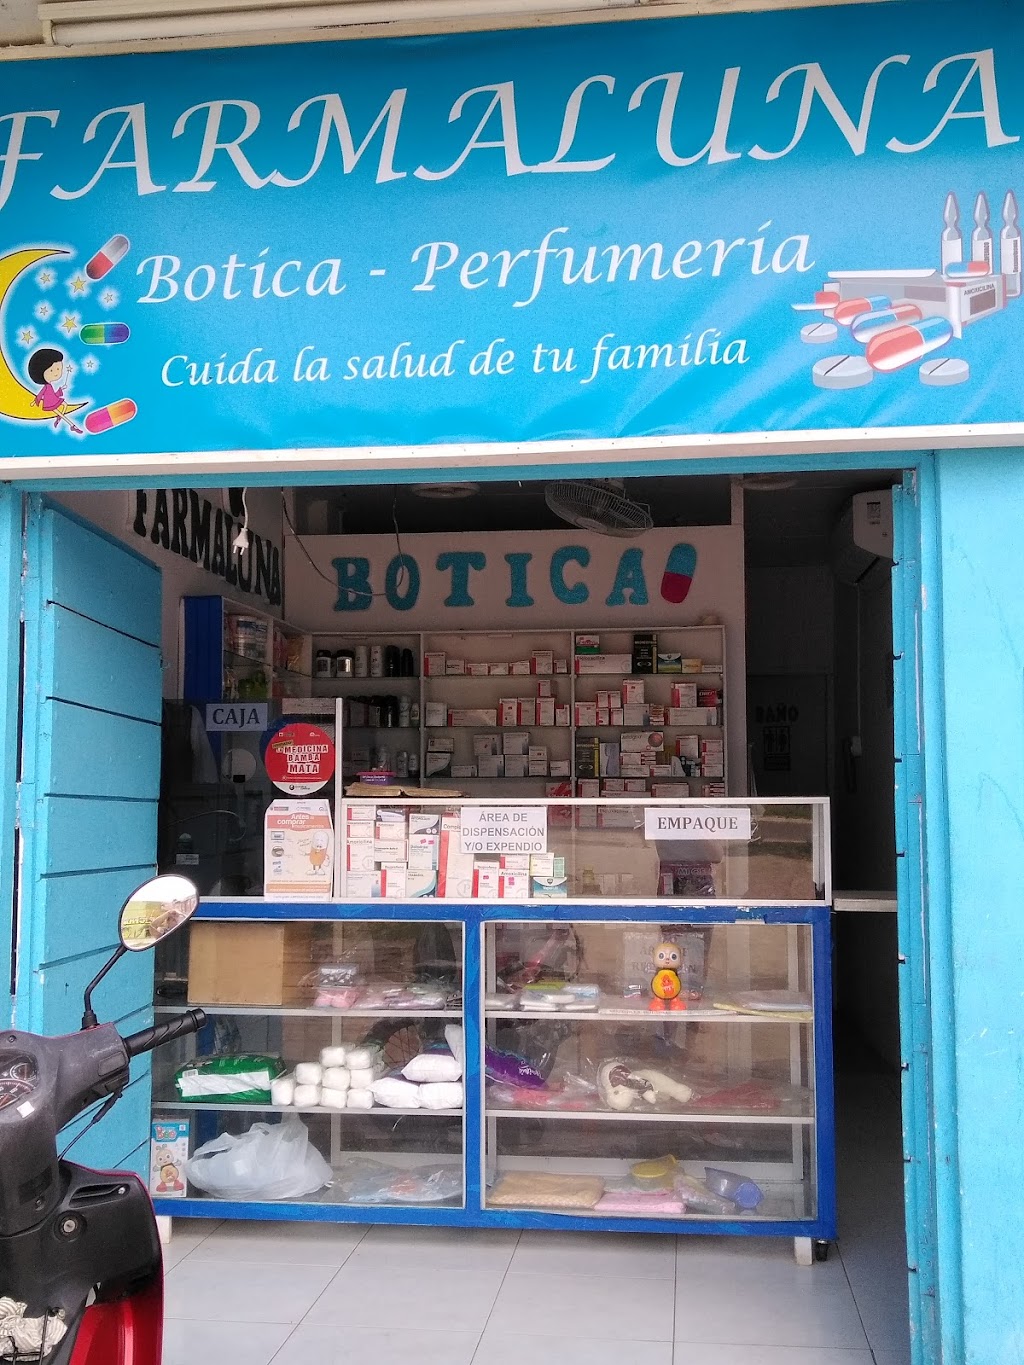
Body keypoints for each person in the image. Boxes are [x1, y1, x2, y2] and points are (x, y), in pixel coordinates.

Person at [28, 348, 80, 432]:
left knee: (65, 405)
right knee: (63, 414)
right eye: (52, 370)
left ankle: (59, 418)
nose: (57, 373)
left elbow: (53, 395)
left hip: (54, 400)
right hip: (49, 404)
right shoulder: (46, 387)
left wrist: (61, 389)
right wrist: (35, 401)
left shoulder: (50, 386)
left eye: (59, 369)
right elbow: (40, 394)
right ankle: (72, 425)